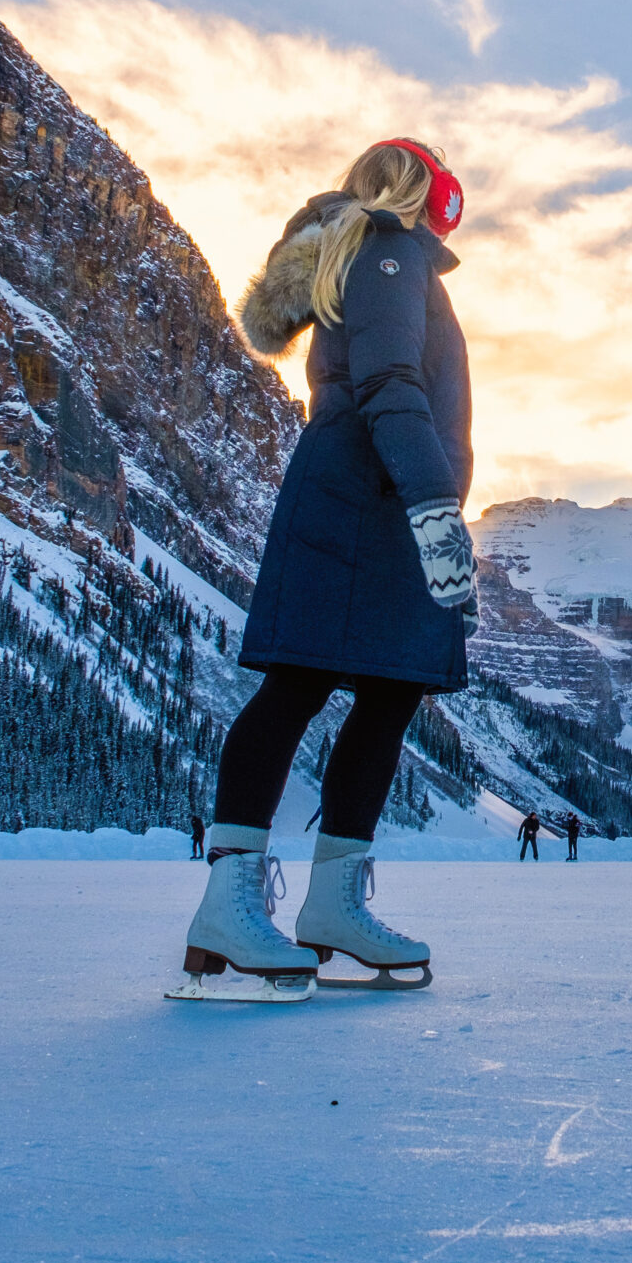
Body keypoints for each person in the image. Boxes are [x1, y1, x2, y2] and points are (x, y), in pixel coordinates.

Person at [174, 139, 475, 997]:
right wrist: (435, 507)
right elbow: (389, 384)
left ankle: (333, 904)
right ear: (424, 190)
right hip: (363, 501)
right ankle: (227, 906)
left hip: (373, 499)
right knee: (299, 685)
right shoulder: (388, 250)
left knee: (389, 693)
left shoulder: (379, 255)